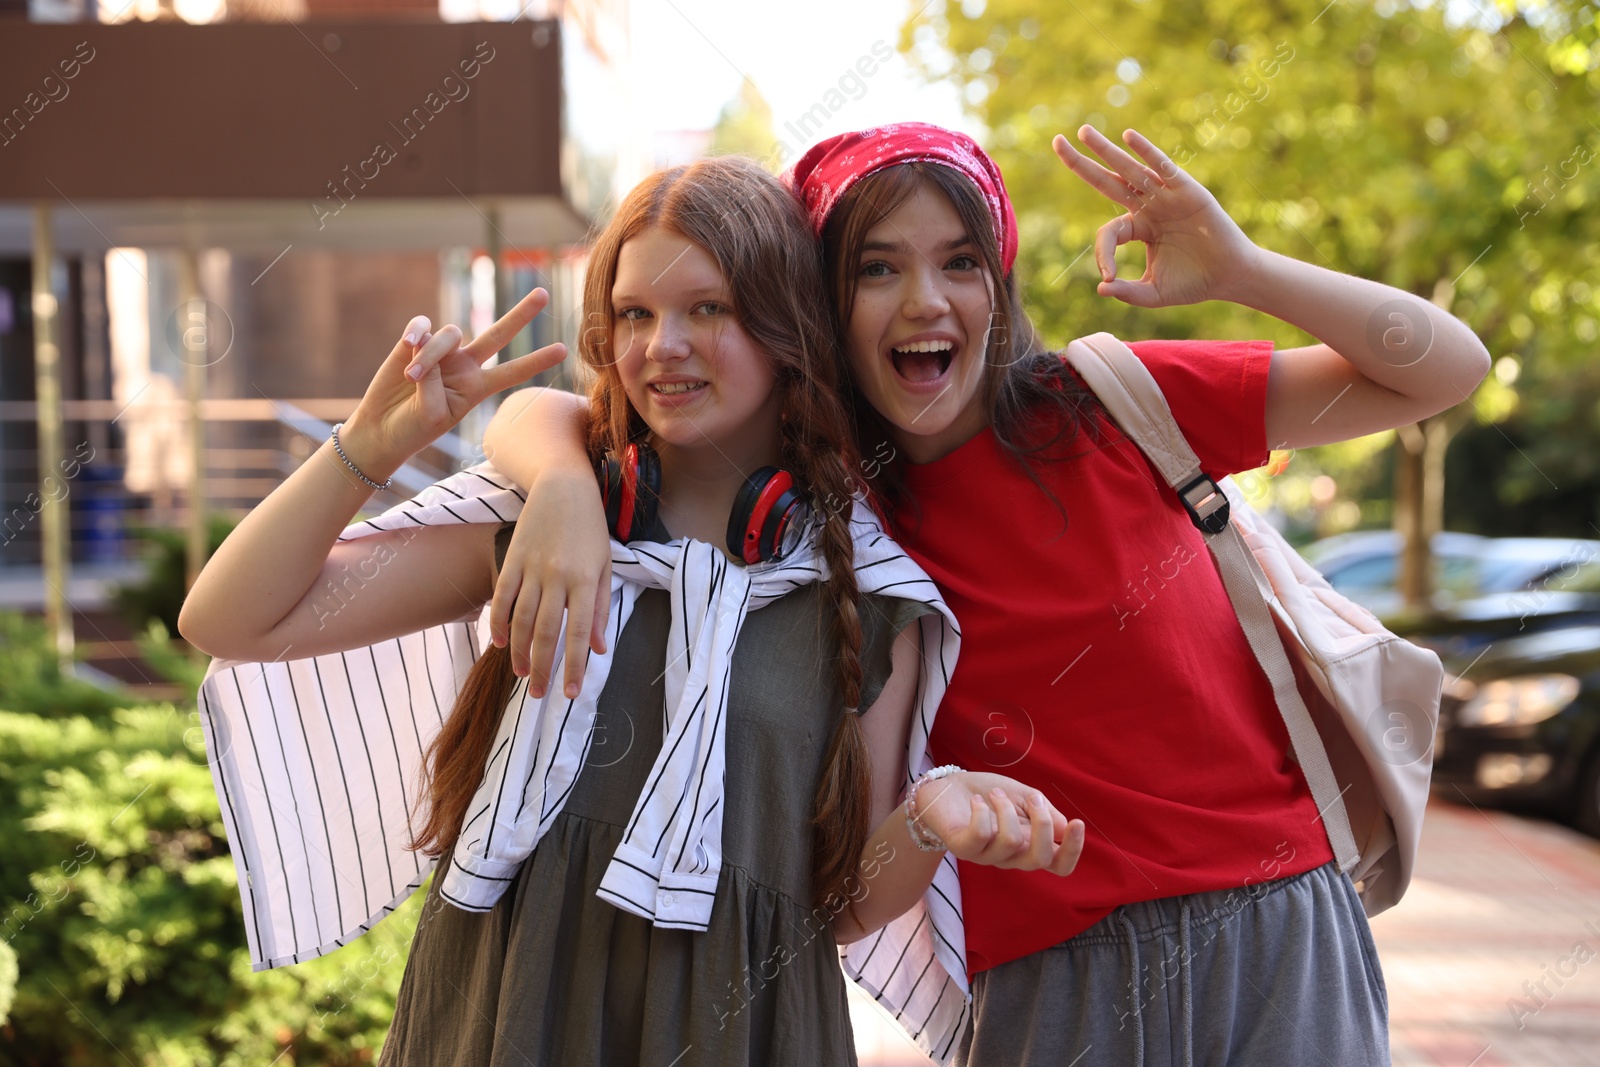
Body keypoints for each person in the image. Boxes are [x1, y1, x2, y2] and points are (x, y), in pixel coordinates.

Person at [468, 124, 1491, 1066]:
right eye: (877, 267)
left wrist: (1245, 271)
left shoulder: (1111, 405)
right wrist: (559, 482)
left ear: (997, 287)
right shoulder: (844, 515)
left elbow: (1442, 370)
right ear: (823, 309)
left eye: (960, 260)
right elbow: (550, 411)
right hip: (1056, 975)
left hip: (1277, 931)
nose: (924, 299)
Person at [179, 154, 1083, 1067]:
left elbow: (839, 903)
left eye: (710, 309)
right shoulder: (540, 531)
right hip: (505, 1015)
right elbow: (230, 620)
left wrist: (932, 818)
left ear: (785, 325)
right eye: (636, 313)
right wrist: (371, 451)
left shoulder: (865, 589)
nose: (664, 346)